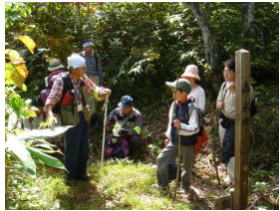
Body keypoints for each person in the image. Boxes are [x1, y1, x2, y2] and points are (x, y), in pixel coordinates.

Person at [45, 53, 111, 181]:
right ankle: (70, 176)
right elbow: (51, 100)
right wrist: (50, 114)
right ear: (74, 68)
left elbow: (94, 90)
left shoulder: (82, 78)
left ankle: (82, 173)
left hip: (83, 116)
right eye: (83, 68)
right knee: (72, 148)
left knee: (84, 146)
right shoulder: (61, 81)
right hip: (69, 118)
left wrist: (103, 92)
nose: (85, 70)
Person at [156, 79, 200, 192]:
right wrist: (168, 136)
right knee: (161, 159)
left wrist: (182, 126)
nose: (173, 93)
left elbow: (195, 128)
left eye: (175, 91)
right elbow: (171, 122)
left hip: (187, 142)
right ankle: (163, 184)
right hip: (175, 140)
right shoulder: (174, 105)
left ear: (184, 93)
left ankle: (185, 187)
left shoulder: (191, 108)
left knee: (187, 167)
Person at [216, 59, 253, 184]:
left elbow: (247, 104)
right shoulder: (223, 85)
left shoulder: (246, 87)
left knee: (233, 150)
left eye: (228, 71)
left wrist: (237, 90)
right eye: (224, 71)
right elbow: (218, 102)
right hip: (224, 121)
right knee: (226, 147)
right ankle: (231, 177)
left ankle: (236, 179)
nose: (225, 74)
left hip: (236, 123)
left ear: (236, 72)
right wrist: (219, 104)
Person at [106, 95, 142, 160]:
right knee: (109, 138)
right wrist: (109, 119)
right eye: (122, 107)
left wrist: (125, 131)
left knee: (135, 140)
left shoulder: (137, 114)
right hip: (117, 134)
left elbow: (138, 130)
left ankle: (131, 157)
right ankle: (112, 156)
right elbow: (109, 117)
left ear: (130, 107)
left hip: (129, 135)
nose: (123, 109)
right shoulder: (117, 111)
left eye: (125, 107)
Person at [80, 41, 103, 121]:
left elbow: (99, 68)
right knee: (87, 97)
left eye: (90, 47)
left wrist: (100, 80)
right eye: (86, 47)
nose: (88, 49)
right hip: (84, 78)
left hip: (95, 77)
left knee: (94, 97)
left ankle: (93, 115)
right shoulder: (81, 56)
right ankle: (88, 116)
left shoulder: (96, 56)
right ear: (84, 48)